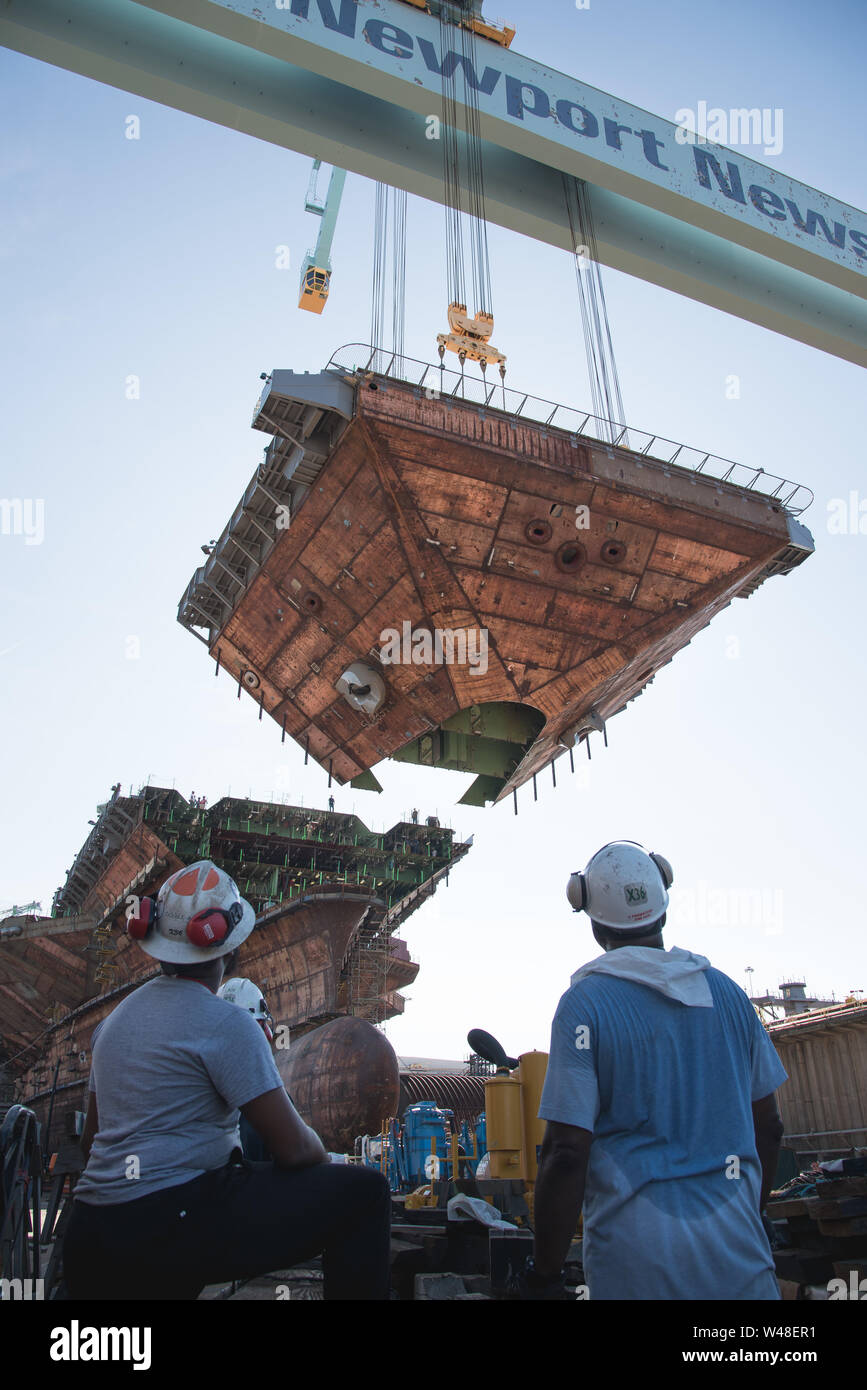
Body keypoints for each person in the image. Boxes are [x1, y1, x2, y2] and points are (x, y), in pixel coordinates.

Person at [63, 860, 390, 1300]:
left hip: (89, 1232)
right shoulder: (228, 1023)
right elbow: (294, 1151)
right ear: (229, 948)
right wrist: (330, 1157)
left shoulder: (111, 1026)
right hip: (171, 1224)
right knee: (366, 1194)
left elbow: (91, 1143)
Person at [526, 841, 786, 1301]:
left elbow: (567, 1152)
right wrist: (752, 1213)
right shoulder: (728, 994)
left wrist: (545, 1274)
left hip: (637, 1270)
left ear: (588, 915)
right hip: (741, 1264)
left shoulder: (584, 1007)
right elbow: (769, 1127)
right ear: (663, 905)